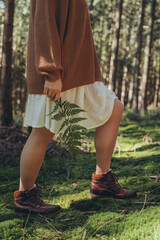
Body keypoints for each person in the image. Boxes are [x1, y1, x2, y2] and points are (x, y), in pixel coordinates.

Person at [14, 0, 137, 215]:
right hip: (58, 75)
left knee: (114, 109)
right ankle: (25, 195)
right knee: (42, 132)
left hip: (80, 72)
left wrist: (92, 71)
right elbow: (44, 24)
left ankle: (102, 181)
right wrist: (51, 73)